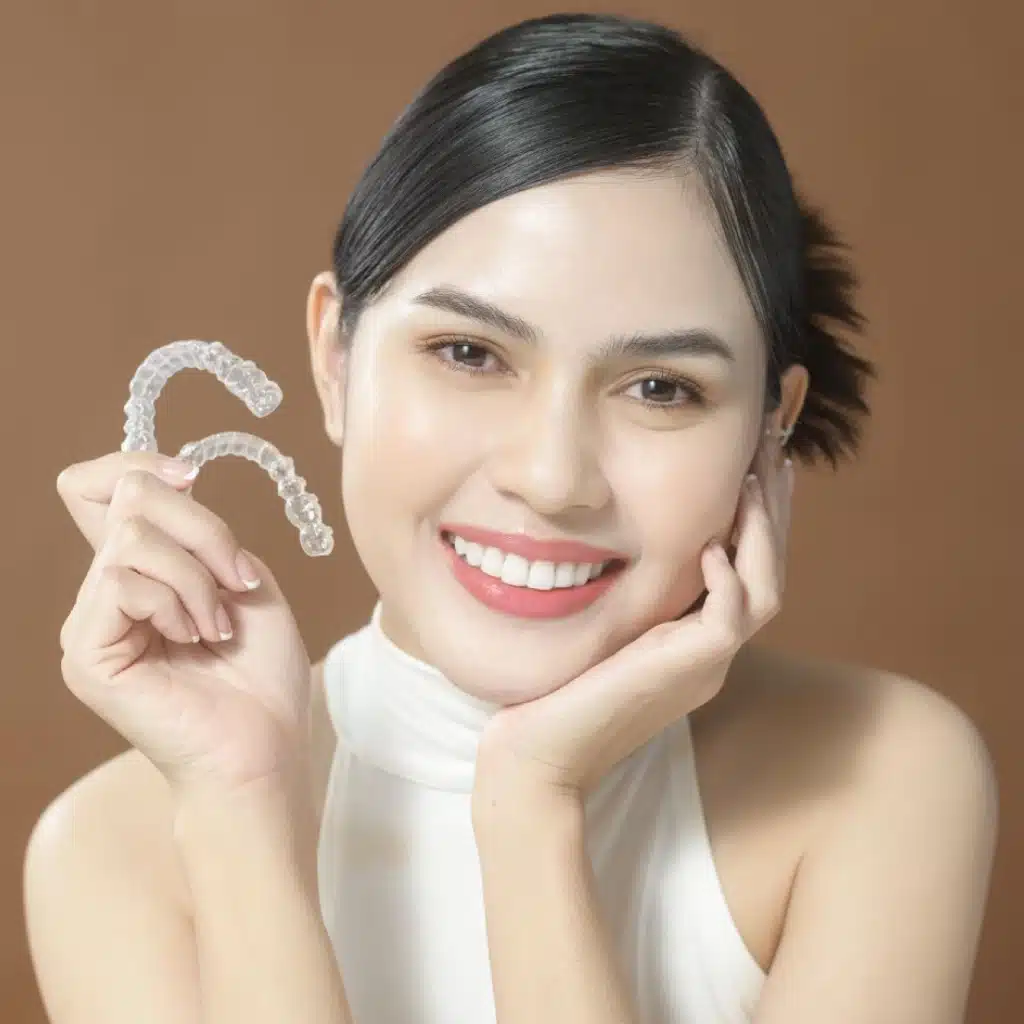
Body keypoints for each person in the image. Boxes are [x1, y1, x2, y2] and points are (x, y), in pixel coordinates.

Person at [24, 12, 998, 1024]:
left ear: (770, 424)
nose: (551, 476)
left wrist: (533, 805)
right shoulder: (111, 852)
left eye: (661, 387)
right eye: (469, 354)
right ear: (335, 359)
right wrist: (239, 808)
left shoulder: (874, 774)